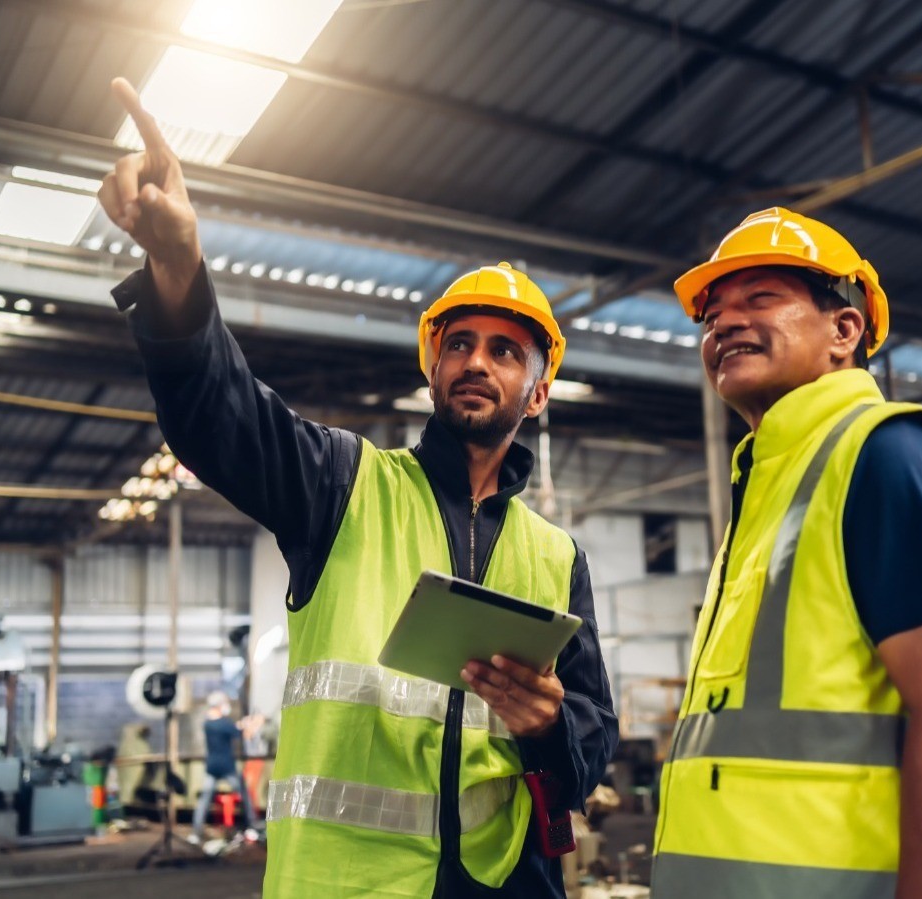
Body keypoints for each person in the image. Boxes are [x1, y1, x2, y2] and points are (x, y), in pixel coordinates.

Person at [97, 78, 617, 898]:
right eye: (460, 344)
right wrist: (177, 262)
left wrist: (552, 724)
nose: (477, 360)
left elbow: (593, 733)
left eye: (507, 351)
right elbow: (218, 416)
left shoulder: (557, 555)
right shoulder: (344, 483)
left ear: (539, 392)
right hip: (349, 882)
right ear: (434, 368)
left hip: (506, 879)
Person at [650, 207, 922, 898]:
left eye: (759, 298)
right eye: (712, 313)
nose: (723, 323)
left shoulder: (885, 453)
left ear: (845, 330)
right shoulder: (773, 487)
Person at [189, 691, 261, 844]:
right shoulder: (222, 723)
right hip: (227, 767)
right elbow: (241, 733)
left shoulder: (208, 723)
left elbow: (233, 728)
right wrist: (250, 724)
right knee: (244, 795)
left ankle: (196, 832)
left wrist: (243, 724)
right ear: (219, 705)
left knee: (204, 800)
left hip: (211, 767)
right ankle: (253, 826)